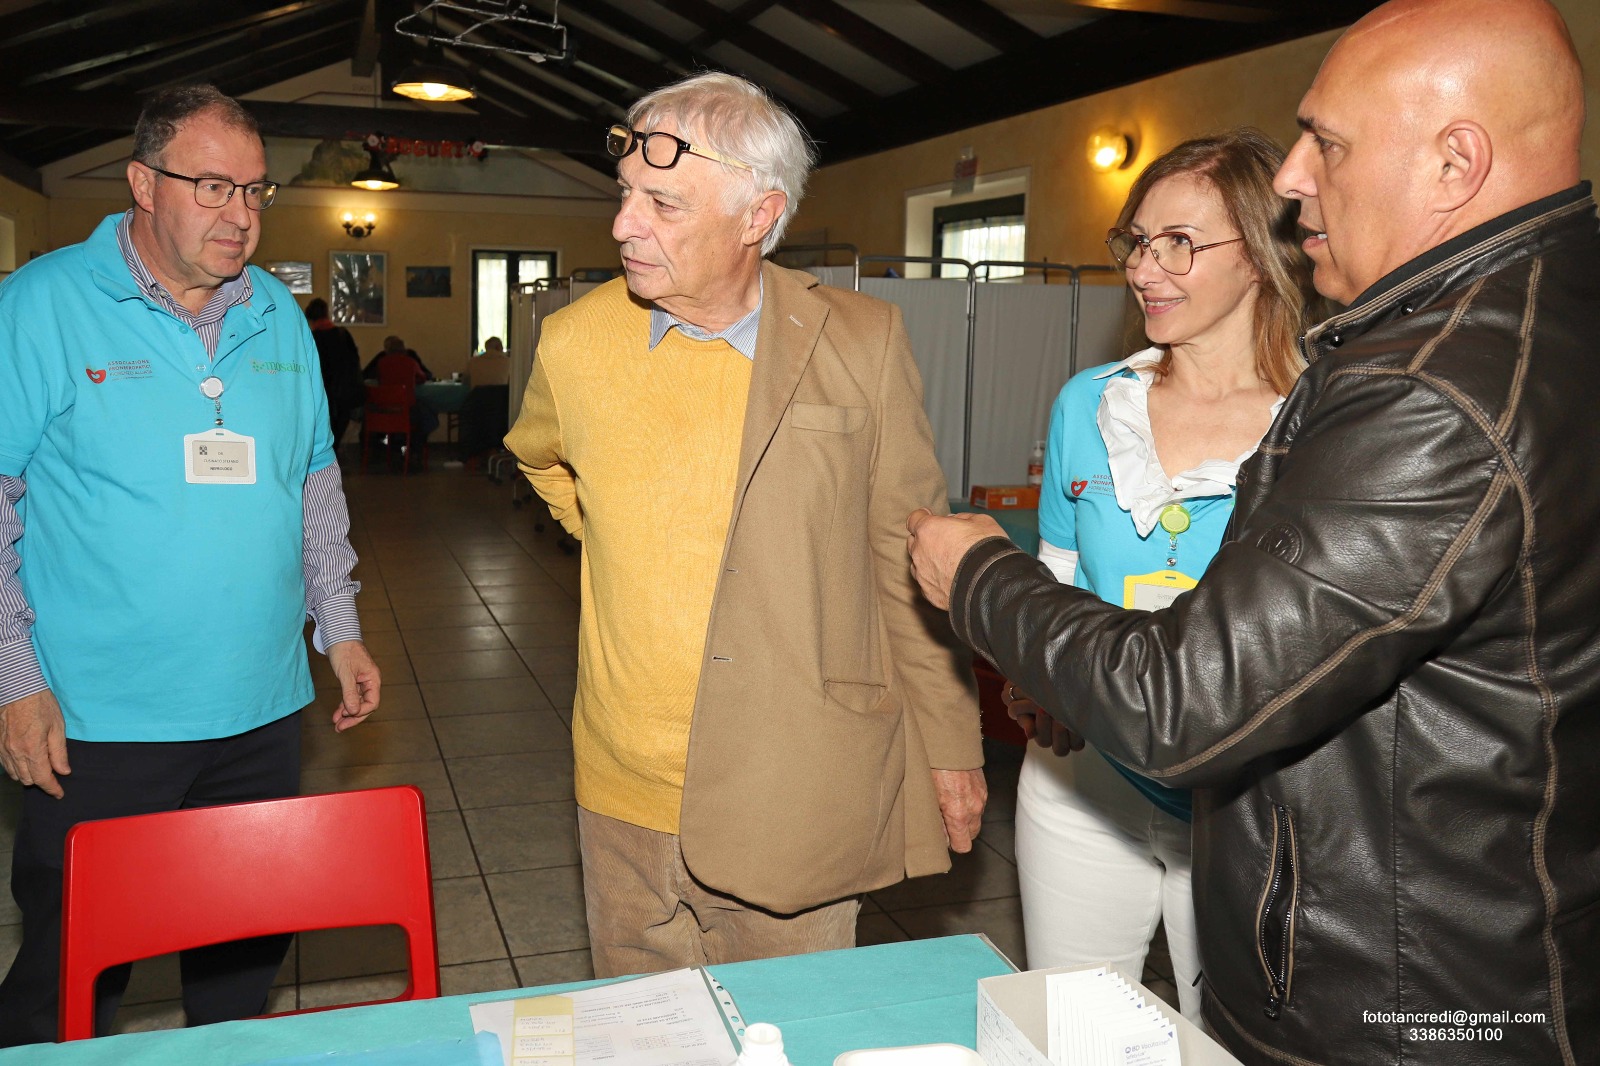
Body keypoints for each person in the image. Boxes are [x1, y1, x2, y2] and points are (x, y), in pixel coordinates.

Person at [906, 0, 1595, 1062]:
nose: (1296, 176)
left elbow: (1184, 697)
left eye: (1328, 142)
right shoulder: (1529, 325)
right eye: (1136, 241)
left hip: (1397, 979)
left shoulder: (1424, 395)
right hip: (1410, 906)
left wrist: (976, 574)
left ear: (1456, 161)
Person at [504, 71, 986, 978]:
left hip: (793, 781)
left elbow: (909, 556)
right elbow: (539, 458)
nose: (624, 226)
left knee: (788, 1026)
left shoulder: (860, 341)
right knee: (642, 1031)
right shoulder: (574, 342)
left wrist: (953, 746)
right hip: (621, 784)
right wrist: (617, 534)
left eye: (663, 204)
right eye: (624, 195)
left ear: (758, 216)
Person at [0, 85, 381, 1046]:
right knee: (69, 978)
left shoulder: (277, 315)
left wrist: (339, 628)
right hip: (96, 722)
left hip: (259, 710)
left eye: (255, 191)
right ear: (142, 183)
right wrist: (14, 680)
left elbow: (312, 478)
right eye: (212, 186)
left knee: (242, 966)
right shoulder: (41, 305)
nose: (239, 215)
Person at [1007, 129, 1312, 1023]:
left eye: (1180, 242)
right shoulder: (1090, 402)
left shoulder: (1323, 420)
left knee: (1225, 1038)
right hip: (1082, 780)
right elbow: (1055, 580)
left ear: (1260, 253)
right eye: (1138, 241)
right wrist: (1035, 679)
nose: (1145, 268)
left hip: (1242, 797)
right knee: (1072, 1026)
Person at [305, 297, 362, 450]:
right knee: (339, 425)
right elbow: (354, 360)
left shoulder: (313, 338)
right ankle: (334, 451)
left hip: (322, 390)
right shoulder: (343, 334)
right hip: (344, 390)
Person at [459, 337, 510, 464]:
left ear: (486, 348)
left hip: (478, 409)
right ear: (499, 348)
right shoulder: (508, 362)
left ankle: (475, 455)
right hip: (500, 409)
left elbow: (465, 381)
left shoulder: (473, 362)